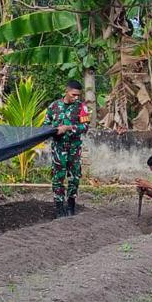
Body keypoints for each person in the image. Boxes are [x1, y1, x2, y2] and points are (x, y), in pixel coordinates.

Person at [45, 78, 90, 219]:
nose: (76, 98)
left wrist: (68, 127)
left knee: (74, 177)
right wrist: (54, 130)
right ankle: (59, 207)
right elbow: (46, 125)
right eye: (73, 95)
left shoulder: (81, 107)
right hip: (58, 148)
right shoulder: (53, 106)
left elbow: (85, 127)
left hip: (74, 148)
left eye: (78, 95)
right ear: (67, 91)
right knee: (58, 178)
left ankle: (71, 205)